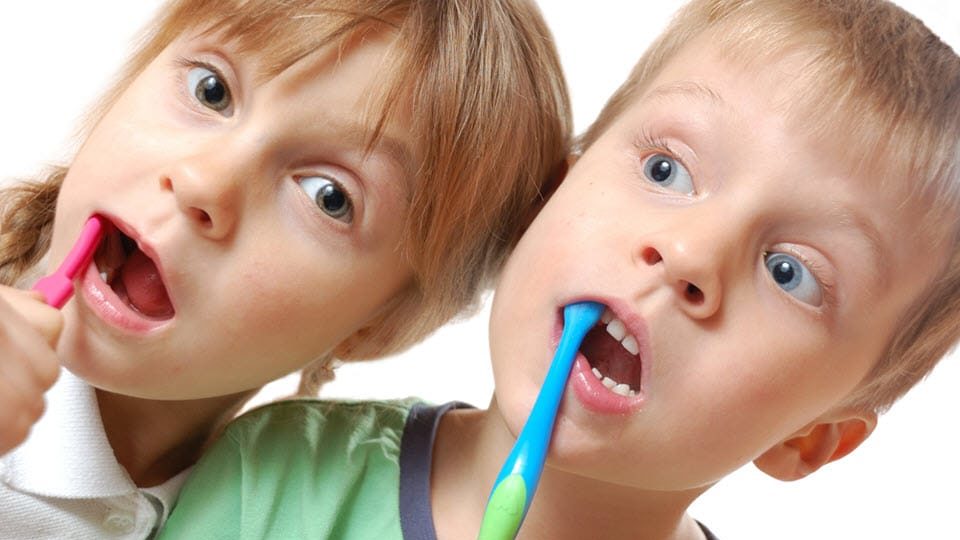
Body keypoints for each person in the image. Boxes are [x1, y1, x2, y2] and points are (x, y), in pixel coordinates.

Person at [158, 0, 960, 538]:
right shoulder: (280, 476)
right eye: (666, 172)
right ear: (551, 191)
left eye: (791, 272)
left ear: (810, 439)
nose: (687, 254)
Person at [0, 0, 572, 537]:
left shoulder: (277, 508)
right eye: (212, 90)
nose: (205, 180)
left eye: (329, 196)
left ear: (380, 326)